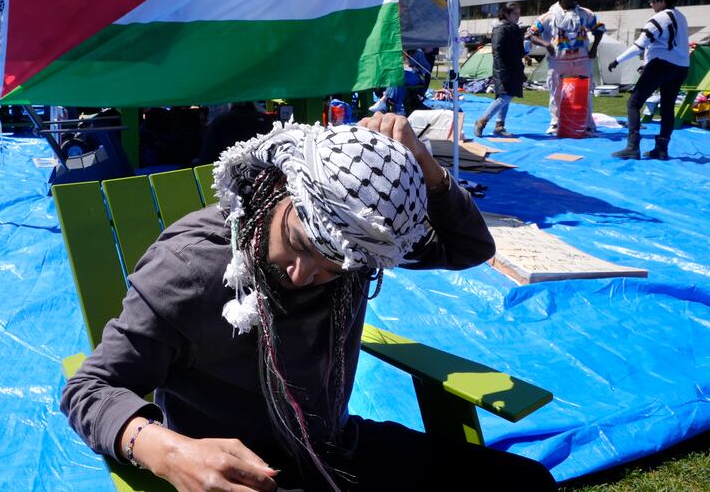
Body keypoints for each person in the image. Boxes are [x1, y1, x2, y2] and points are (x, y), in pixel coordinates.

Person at [61, 114, 556, 491]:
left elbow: (470, 247)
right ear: (281, 190)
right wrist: (168, 453)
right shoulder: (190, 269)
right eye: (298, 243)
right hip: (243, 473)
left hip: (334, 448)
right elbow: (92, 386)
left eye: (332, 265)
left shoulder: (360, 242)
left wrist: (424, 165)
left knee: (528, 482)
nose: (303, 274)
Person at [608, 0, 690, 160]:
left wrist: (617, 60)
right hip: (681, 67)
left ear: (662, 1)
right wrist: (648, 64)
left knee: (633, 103)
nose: (651, 3)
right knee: (668, 107)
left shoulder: (659, 18)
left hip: (662, 65)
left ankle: (632, 147)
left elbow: (640, 45)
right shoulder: (681, 17)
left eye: (653, 0)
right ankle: (662, 149)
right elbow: (671, 45)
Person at [526, 0, 605, 135]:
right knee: (556, 92)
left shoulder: (585, 14)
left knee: (585, 92)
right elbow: (530, 34)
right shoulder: (548, 17)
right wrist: (546, 44)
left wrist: (594, 48)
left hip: (581, 60)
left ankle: (587, 124)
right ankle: (556, 122)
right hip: (558, 61)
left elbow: (599, 29)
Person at [475, 2, 527, 137]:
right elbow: (498, 51)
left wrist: (525, 48)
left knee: (506, 97)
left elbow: (519, 51)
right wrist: (503, 70)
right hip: (504, 69)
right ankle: (482, 121)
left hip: (513, 68)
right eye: (515, 13)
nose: (518, 16)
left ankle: (499, 125)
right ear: (506, 14)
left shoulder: (514, 28)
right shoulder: (501, 29)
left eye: (519, 13)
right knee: (504, 97)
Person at [196, 101, 273, 165]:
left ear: (230, 103)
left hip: (230, 174)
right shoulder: (266, 120)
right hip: (263, 172)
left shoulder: (219, 122)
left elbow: (206, 158)